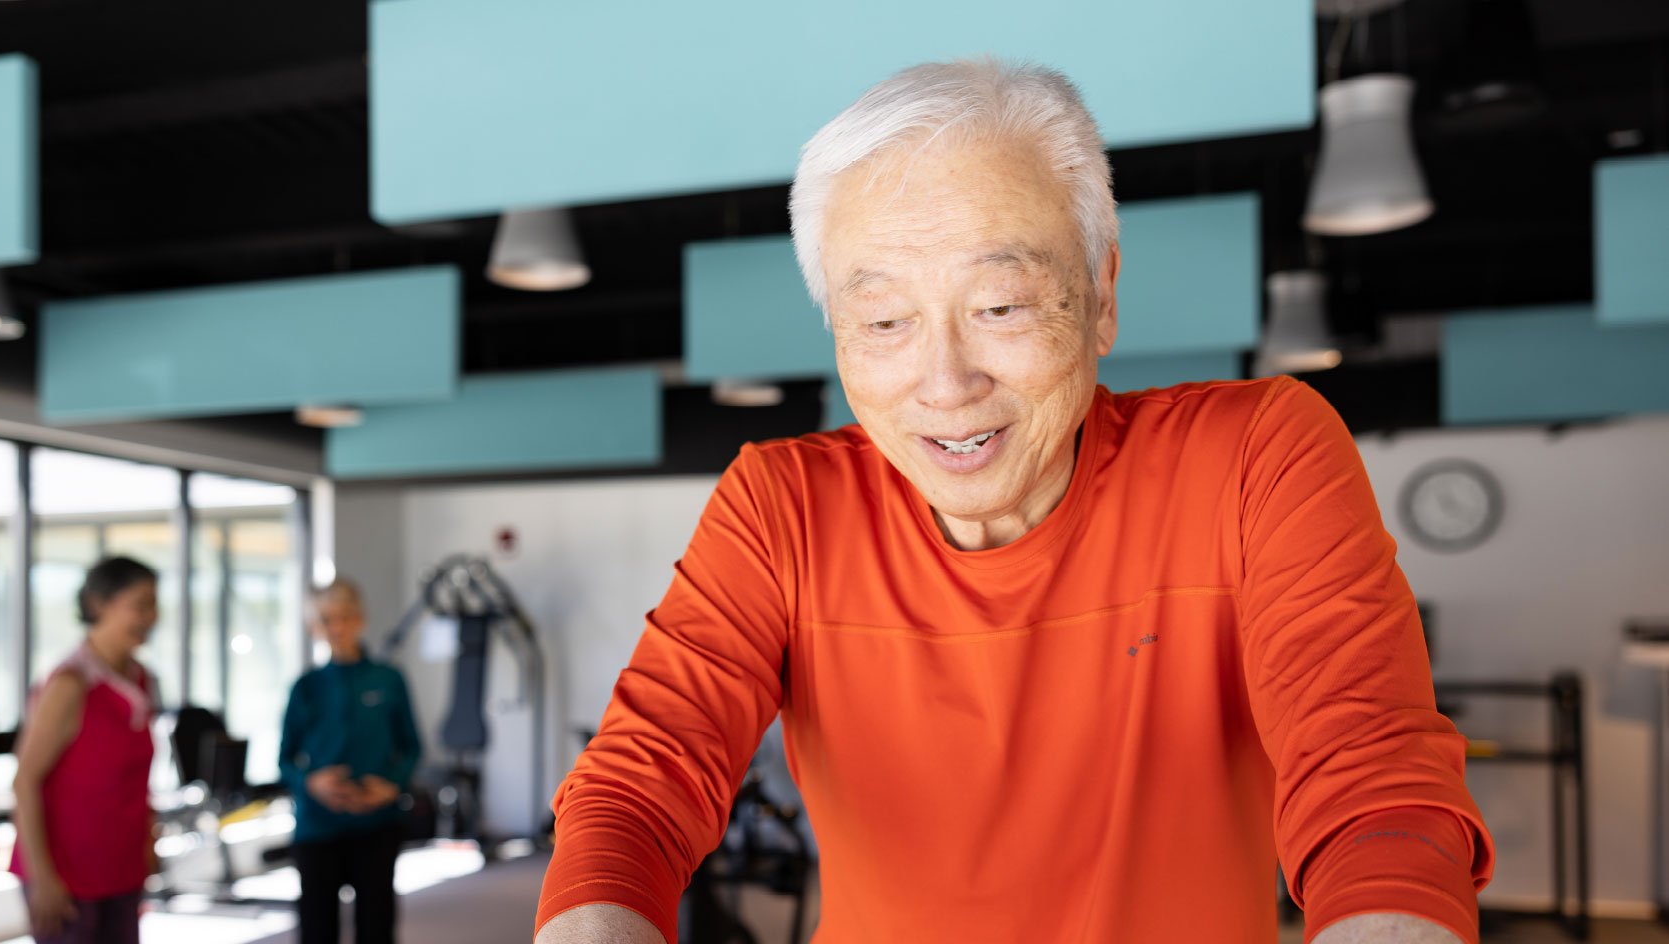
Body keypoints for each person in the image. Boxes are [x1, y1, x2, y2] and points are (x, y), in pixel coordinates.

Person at [536, 59, 1494, 944]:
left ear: (1101, 292)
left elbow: (1374, 788)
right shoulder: (782, 504)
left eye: (1000, 307)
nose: (944, 383)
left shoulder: (1252, 453)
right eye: (881, 321)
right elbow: (639, 789)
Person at [12, 557, 161, 944]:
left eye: (154, 604)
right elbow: (24, 782)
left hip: (121, 866)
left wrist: (148, 841)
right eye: (140, 604)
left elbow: (137, 781)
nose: (151, 616)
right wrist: (42, 878)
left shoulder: (142, 680)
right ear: (99, 605)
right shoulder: (70, 684)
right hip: (68, 874)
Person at [280, 576, 423, 944]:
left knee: (376, 926)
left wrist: (392, 785)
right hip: (317, 827)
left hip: (376, 824)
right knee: (317, 928)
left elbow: (411, 747)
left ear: (360, 619)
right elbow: (285, 759)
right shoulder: (306, 687)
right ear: (315, 627)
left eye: (344, 616)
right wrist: (311, 782)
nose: (337, 626)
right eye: (327, 619)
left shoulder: (388, 679)